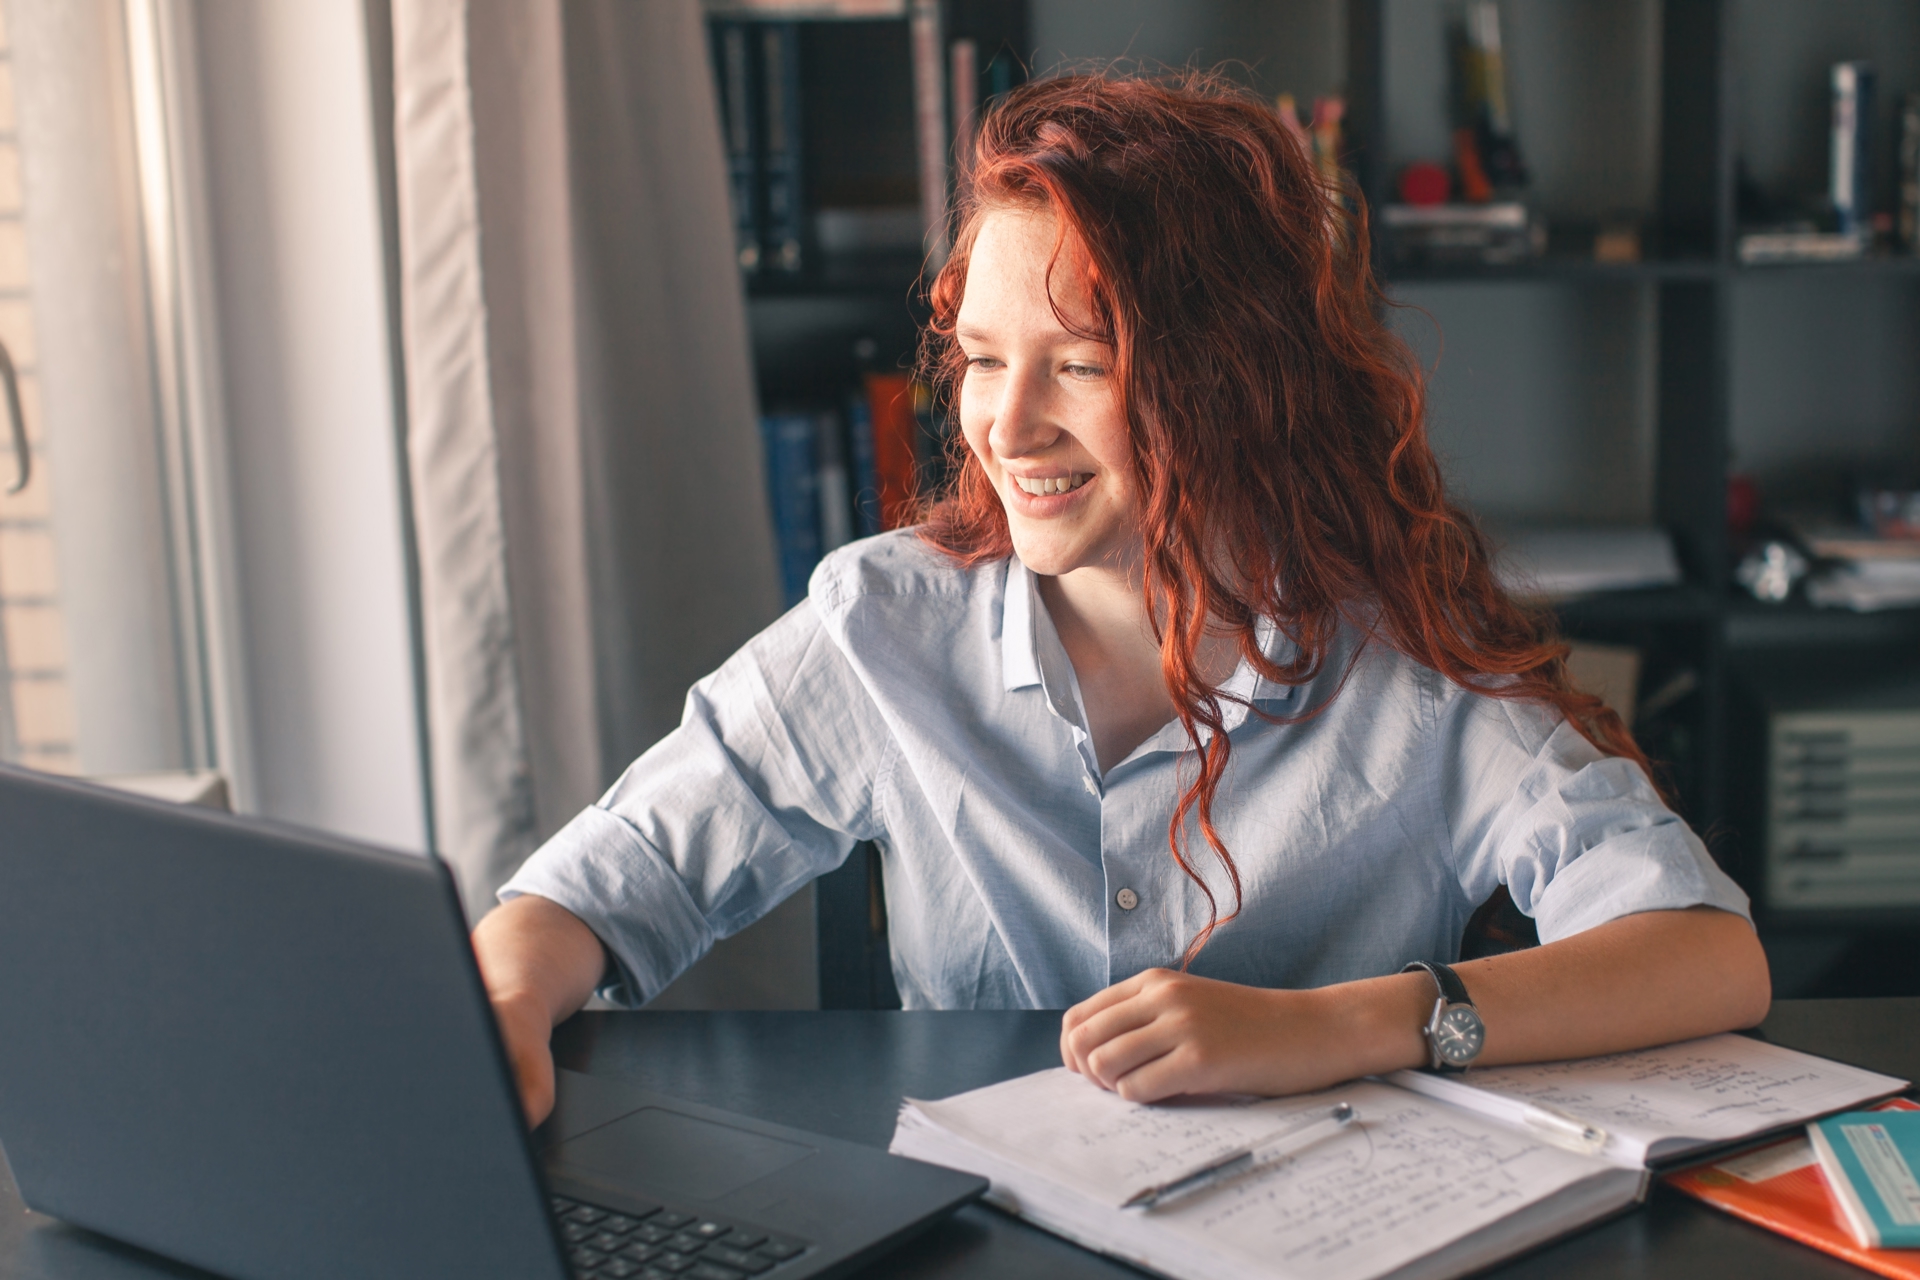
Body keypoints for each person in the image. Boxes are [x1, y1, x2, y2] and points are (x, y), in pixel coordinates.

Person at [474, 72, 1769, 1126]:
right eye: (983, 360)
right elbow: (608, 880)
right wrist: (508, 1008)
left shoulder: (1404, 665)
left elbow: (1708, 951)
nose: (1006, 426)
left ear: (1231, 378)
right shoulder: (880, 623)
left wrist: (1337, 1026)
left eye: (1080, 365)